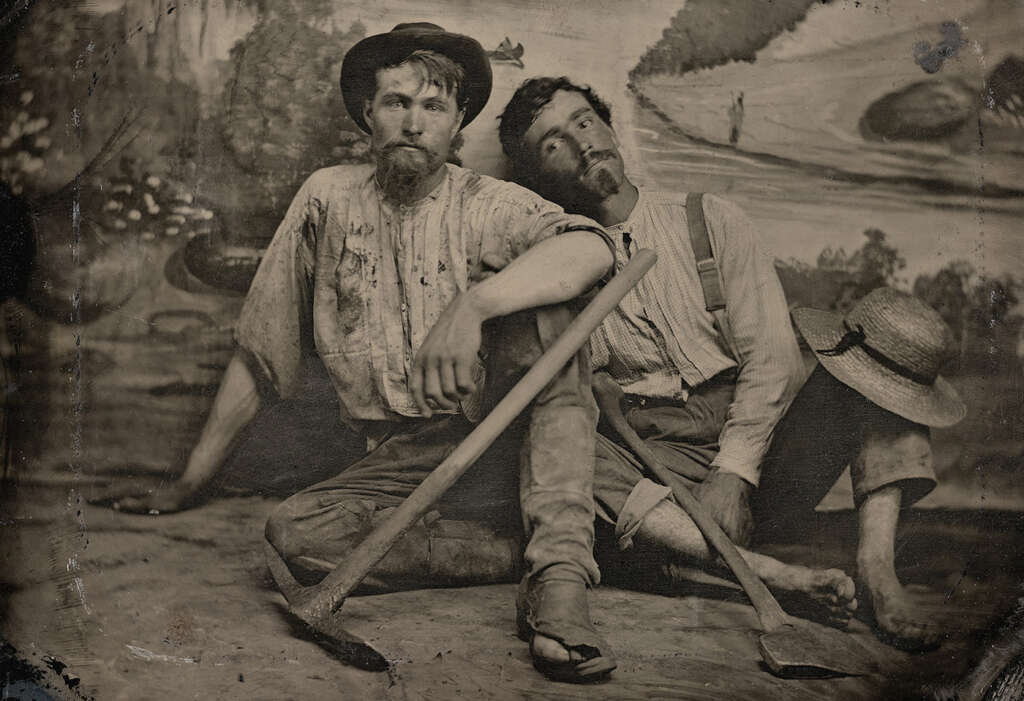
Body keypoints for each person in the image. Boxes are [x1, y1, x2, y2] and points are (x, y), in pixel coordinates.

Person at [89, 26, 621, 683]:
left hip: (495, 442)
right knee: (293, 534)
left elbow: (594, 246)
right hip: (395, 462)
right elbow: (264, 346)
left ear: (458, 123)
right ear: (367, 113)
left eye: (433, 107)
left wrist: (472, 308)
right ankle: (511, 551)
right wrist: (190, 480)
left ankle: (561, 580)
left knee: (552, 324)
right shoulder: (326, 199)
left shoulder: (487, 204)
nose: (412, 122)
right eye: (396, 102)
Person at [498, 76, 967, 650]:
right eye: (553, 143)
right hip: (655, 469)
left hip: (762, 448)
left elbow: (771, 362)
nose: (580, 142)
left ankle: (877, 572)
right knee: (556, 450)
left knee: (874, 360)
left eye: (585, 121)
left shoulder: (709, 219)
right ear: (536, 176)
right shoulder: (550, 267)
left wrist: (734, 470)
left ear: (609, 126)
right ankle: (773, 575)